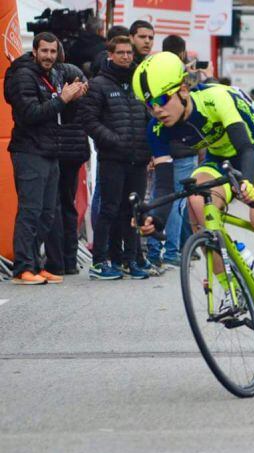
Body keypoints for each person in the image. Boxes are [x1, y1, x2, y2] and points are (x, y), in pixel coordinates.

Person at [132, 52, 254, 341]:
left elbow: (247, 150)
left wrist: (247, 184)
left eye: (162, 100)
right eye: (149, 105)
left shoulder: (216, 99)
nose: (157, 110)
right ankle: (230, 276)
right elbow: (163, 184)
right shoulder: (157, 129)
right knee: (196, 200)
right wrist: (155, 218)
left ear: (183, 89)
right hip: (221, 158)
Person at [4, 32, 88, 285]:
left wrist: (76, 95)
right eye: (44, 51)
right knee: (31, 211)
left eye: (53, 52)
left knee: (48, 214)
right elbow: (30, 113)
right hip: (29, 151)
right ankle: (22, 269)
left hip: (52, 150)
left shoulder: (52, 74)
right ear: (35, 52)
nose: (49, 56)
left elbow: (63, 112)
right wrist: (63, 98)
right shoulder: (23, 76)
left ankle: (36, 265)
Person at [79, 36, 153, 280]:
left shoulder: (140, 83)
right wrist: (111, 140)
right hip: (113, 158)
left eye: (128, 52)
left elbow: (150, 117)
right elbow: (88, 120)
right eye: (120, 52)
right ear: (110, 55)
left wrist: (150, 148)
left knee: (133, 212)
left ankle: (129, 260)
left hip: (139, 158)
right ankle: (100, 262)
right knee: (109, 210)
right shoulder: (98, 84)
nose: (125, 56)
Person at [146, 34, 199, 269]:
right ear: (182, 53)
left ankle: (155, 250)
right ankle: (171, 252)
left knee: (161, 195)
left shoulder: (153, 73)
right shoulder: (183, 78)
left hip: (160, 145)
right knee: (177, 201)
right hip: (183, 149)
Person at [44, 59, 91, 277]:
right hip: (75, 149)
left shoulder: (52, 78)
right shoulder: (79, 76)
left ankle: (58, 261)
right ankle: (69, 260)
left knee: (55, 205)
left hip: (60, 147)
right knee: (68, 205)